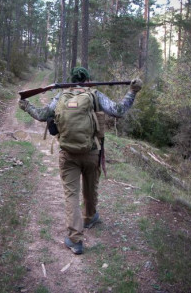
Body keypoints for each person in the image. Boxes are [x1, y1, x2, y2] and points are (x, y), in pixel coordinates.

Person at [18, 67, 142, 254]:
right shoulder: (94, 95)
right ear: (88, 79)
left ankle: (75, 240)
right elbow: (118, 110)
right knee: (90, 187)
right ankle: (89, 217)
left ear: (71, 80)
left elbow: (43, 115)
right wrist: (132, 92)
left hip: (67, 154)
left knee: (71, 195)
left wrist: (26, 105)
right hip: (91, 152)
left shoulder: (60, 97)